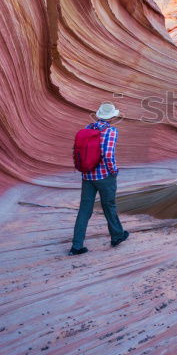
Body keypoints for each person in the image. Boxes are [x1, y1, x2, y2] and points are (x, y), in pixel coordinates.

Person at [69, 102, 129, 255]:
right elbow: (108, 155)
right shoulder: (111, 131)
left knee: (84, 209)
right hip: (104, 176)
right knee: (109, 206)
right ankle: (117, 236)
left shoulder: (87, 129)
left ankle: (76, 246)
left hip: (87, 176)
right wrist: (114, 171)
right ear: (112, 117)